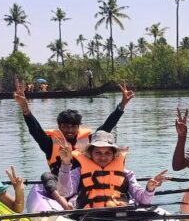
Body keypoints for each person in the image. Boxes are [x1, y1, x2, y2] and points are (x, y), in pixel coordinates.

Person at [15, 79, 134, 209]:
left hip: (85, 182)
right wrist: (25, 109)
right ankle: (64, 204)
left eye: (73, 126)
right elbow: (35, 130)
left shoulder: (90, 141)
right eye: (65, 127)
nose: (70, 130)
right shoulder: (49, 143)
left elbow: (107, 126)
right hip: (62, 185)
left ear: (78, 127)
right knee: (47, 176)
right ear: (59, 126)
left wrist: (122, 105)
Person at [57, 131, 167, 221]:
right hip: (91, 218)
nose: (103, 157)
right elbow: (64, 192)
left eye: (108, 153)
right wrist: (66, 163)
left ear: (114, 154)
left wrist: (149, 188)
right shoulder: (78, 172)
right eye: (98, 153)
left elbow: (144, 201)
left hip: (121, 215)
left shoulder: (126, 173)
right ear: (90, 154)